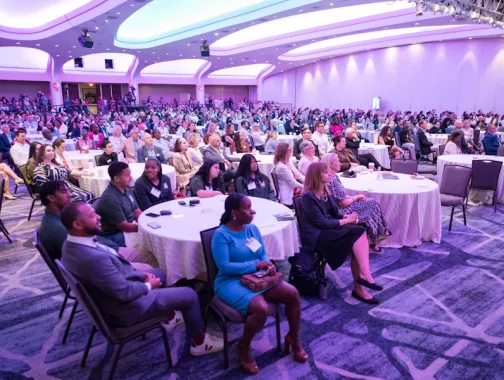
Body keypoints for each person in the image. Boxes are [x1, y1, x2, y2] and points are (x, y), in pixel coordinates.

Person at [60, 201, 224, 355]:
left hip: (113, 292)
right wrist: (148, 286)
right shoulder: (93, 259)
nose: (99, 217)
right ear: (78, 224)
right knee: (189, 295)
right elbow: (124, 293)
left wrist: (140, 275)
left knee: (159, 273)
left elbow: (112, 276)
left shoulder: (70, 246)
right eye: (92, 216)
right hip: (126, 307)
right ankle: (200, 343)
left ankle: (170, 316)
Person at [212, 194, 307, 374]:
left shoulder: (252, 229)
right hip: (229, 281)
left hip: (257, 276)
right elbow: (224, 267)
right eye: (247, 208)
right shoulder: (221, 235)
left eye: (251, 207)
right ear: (234, 212)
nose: (252, 211)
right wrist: (256, 265)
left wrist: (268, 264)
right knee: (261, 308)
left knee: (292, 293)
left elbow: (262, 253)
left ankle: (293, 337)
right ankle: (243, 347)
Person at [300, 162, 382, 304]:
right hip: (318, 236)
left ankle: (362, 281)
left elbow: (335, 212)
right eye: (325, 172)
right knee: (357, 235)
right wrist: (347, 221)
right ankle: (362, 282)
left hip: (329, 229)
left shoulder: (325, 190)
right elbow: (321, 223)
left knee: (359, 233)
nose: (330, 174)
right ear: (315, 176)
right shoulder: (307, 196)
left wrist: (344, 218)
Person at [38, 181, 152, 271]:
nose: (70, 195)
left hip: (102, 250)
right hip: (101, 262)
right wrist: (114, 252)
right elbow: (84, 257)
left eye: (68, 191)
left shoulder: (58, 218)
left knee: (143, 251)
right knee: (149, 257)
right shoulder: (57, 228)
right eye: (63, 192)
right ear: (51, 198)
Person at [321, 154, 389, 252]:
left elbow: (342, 196)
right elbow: (342, 203)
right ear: (331, 164)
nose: (340, 163)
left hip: (340, 206)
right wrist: (355, 197)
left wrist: (354, 197)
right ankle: (379, 234)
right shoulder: (332, 179)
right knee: (371, 203)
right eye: (338, 161)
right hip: (341, 210)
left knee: (369, 203)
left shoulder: (333, 176)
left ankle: (375, 237)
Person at [95, 162, 145, 249]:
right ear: (117, 178)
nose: (131, 178)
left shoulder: (126, 189)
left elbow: (137, 211)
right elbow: (124, 226)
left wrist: (146, 223)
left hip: (130, 226)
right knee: (148, 241)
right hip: (115, 234)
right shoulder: (110, 198)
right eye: (127, 175)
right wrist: (144, 229)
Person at [273, 142, 304, 207]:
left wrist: (310, 182)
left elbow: (298, 175)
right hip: (288, 197)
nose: (291, 151)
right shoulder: (281, 167)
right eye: (289, 150)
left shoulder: (288, 162)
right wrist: (307, 187)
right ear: (283, 152)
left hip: (294, 191)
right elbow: (293, 183)